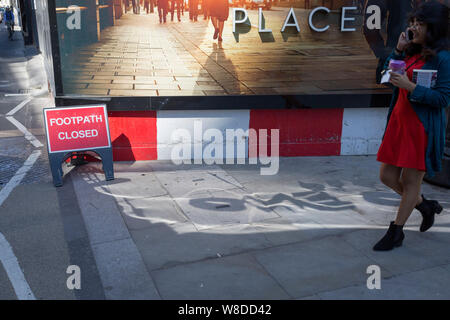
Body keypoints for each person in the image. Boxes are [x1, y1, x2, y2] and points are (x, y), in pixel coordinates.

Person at [373, 1, 449, 251]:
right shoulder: (410, 51)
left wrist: (411, 88)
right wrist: (397, 50)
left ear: (434, 27)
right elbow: (385, 78)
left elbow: (443, 99)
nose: (414, 27)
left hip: (421, 127)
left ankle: (396, 231)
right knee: (387, 176)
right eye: (413, 22)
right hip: (399, 122)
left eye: (420, 23)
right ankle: (424, 206)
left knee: (410, 180)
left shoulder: (444, 58)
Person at [363, 0, 415, 84]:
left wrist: (383, 53)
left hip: (398, 55)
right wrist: (383, 53)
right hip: (399, 55)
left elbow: (370, 29)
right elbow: (370, 29)